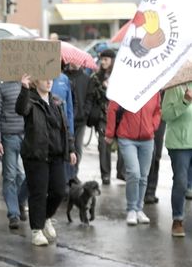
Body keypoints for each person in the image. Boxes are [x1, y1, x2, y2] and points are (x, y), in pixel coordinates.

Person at [15, 74, 76, 246]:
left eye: (51, 79)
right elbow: (21, 109)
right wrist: (24, 89)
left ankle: (46, 217)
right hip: (36, 155)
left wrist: (70, 148)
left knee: (59, 191)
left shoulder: (56, 101)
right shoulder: (30, 100)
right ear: (36, 81)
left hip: (56, 154)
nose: (49, 81)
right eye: (45, 78)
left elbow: (64, 128)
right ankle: (36, 230)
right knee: (38, 193)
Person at [105, 93, 161, 226]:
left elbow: (158, 110)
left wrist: (152, 126)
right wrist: (109, 133)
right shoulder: (127, 86)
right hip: (127, 137)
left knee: (143, 176)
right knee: (134, 173)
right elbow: (112, 109)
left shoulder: (154, 89)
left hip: (147, 139)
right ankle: (131, 209)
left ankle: (139, 209)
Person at [0, 76, 28, 229]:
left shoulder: (27, 83)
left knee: (25, 175)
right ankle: (13, 214)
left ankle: (20, 201)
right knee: (10, 175)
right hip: (9, 136)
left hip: (27, 135)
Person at [161, 82, 192, 237]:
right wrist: (185, 101)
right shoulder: (175, 87)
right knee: (181, 181)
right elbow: (165, 115)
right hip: (180, 144)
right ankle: (177, 220)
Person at [86, 49, 117, 184]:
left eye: (106, 59)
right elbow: (91, 96)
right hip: (102, 116)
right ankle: (106, 174)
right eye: (102, 59)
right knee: (103, 145)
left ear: (112, 61)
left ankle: (122, 172)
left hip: (119, 116)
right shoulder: (95, 77)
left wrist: (111, 87)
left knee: (123, 145)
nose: (103, 62)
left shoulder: (119, 75)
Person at [65, 62, 91, 181]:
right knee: (66, 147)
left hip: (80, 120)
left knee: (77, 147)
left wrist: (84, 112)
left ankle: (73, 174)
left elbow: (90, 98)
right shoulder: (64, 76)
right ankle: (67, 174)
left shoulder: (86, 78)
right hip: (65, 120)